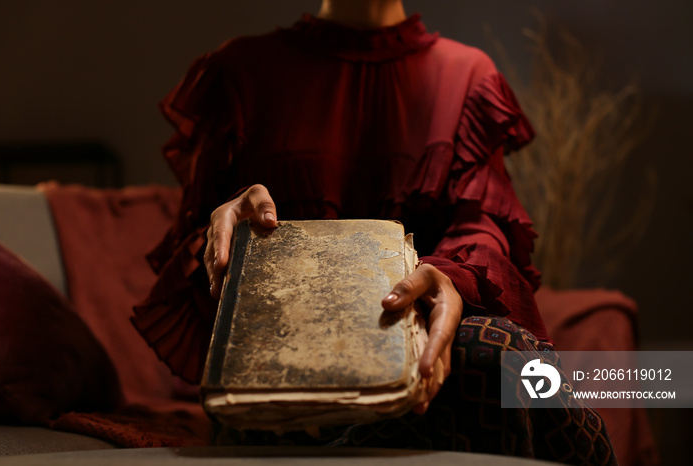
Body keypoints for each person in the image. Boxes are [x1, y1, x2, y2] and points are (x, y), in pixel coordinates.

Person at [133, 0, 616, 463]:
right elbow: (194, 277)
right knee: (498, 360)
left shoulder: (467, 77)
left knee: (491, 357)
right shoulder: (240, 72)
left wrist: (447, 277)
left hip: (429, 384)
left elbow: (481, 228)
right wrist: (229, 245)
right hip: (281, 404)